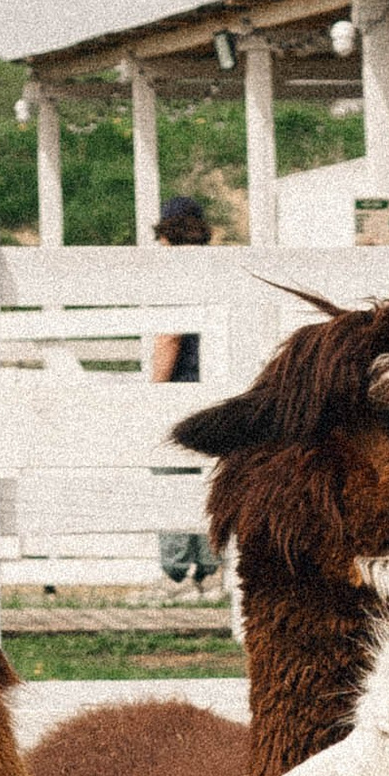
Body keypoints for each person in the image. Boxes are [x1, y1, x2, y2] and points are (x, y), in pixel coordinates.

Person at [150, 195, 221, 583]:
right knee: (208, 475)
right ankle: (209, 569)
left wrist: (154, 388)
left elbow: (169, 337)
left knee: (171, 474)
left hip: (180, 383)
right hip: (214, 380)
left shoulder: (173, 272)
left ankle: (174, 571)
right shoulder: (213, 269)